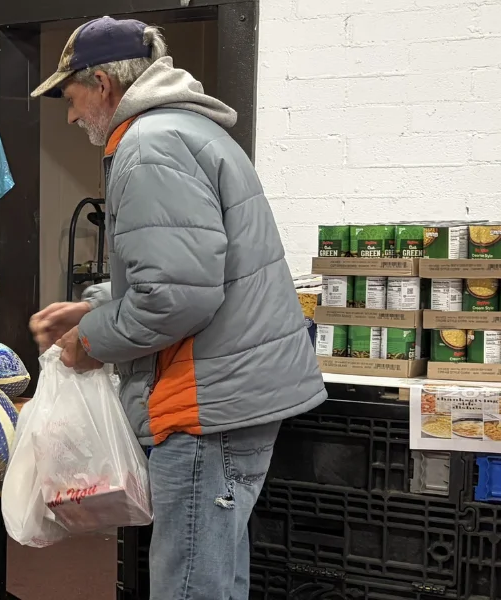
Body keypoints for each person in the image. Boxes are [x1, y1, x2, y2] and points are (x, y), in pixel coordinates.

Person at [28, 17, 326, 599]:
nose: (70, 114)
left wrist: (89, 344)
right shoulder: (189, 131)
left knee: (189, 583)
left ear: (104, 84)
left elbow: (174, 300)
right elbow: (183, 272)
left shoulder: (148, 145)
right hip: (232, 393)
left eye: (71, 96)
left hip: (204, 403)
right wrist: (91, 307)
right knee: (215, 571)